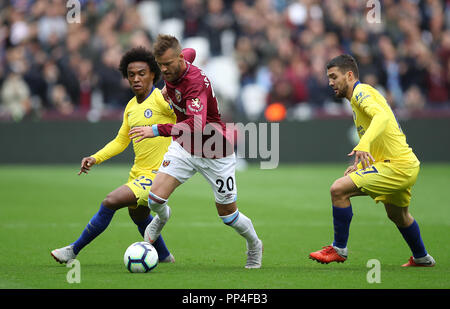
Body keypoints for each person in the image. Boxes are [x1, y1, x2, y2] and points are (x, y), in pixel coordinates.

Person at [128, 34, 263, 269]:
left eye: (168, 65)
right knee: (155, 199)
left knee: (228, 216)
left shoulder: (194, 83)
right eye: (160, 65)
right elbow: (190, 51)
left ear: (179, 59)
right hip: (184, 148)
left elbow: (197, 126)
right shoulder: (180, 59)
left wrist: (157, 129)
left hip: (214, 151)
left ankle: (254, 245)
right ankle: (163, 217)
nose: (164, 70)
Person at [51, 47, 177, 264]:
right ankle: (165, 256)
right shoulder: (130, 107)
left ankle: (73, 251)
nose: (136, 79)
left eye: (141, 73)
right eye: (131, 75)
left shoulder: (161, 99)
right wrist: (95, 157)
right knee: (137, 215)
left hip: (160, 173)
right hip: (139, 172)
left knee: (110, 201)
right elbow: (121, 141)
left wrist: (176, 95)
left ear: (153, 75)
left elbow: (187, 118)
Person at [309, 54, 435, 267]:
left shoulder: (361, 92)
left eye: (334, 76)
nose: (330, 82)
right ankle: (422, 257)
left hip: (397, 166)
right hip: (402, 163)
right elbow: (382, 135)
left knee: (338, 189)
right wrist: (359, 165)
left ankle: (338, 248)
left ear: (349, 75)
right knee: (398, 215)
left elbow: (382, 118)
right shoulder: (359, 99)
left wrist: (363, 145)